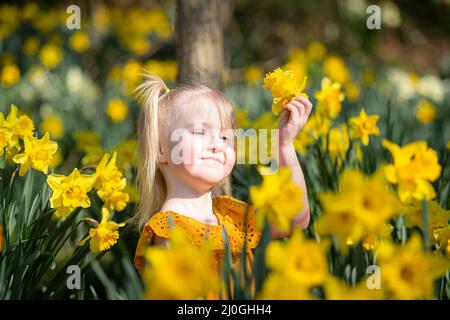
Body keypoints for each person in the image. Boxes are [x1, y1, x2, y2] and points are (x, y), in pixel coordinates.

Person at [132, 72, 313, 299]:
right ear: (160, 149)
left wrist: (284, 144)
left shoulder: (232, 216)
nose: (217, 145)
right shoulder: (168, 230)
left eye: (226, 138)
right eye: (200, 132)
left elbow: (296, 218)